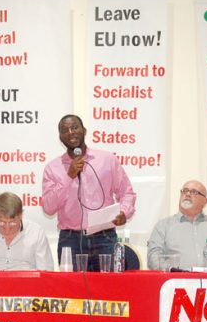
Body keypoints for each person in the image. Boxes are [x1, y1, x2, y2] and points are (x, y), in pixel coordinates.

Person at [42, 114, 136, 271]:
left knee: (108, 292)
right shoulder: (52, 168)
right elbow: (48, 208)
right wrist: (68, 176)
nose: (71, 132)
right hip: (70, 239)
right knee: (72, 294)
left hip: (104, 237)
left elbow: (127, 192)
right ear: (60, 137)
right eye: (65, 130)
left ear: (84, 131)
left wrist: (124, 212)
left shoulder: (107, 159)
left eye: (75, 127)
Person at [147, 180, 207, 269]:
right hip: (176, 282)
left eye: (194, 192)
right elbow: (154, 259)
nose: (187, 194)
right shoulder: (163, 226)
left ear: (205, 201)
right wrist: (176, 273)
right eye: (185, 191)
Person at [0, 192, 54, 271]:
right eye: (2, 222)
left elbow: (45, 270)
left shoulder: (36, 232)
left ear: (21, 215)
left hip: (26, 283)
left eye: (12, 222)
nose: (7, 228)